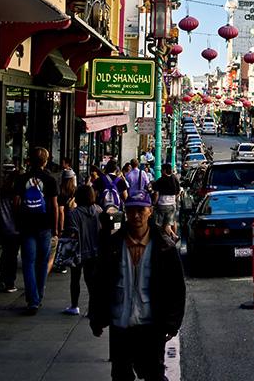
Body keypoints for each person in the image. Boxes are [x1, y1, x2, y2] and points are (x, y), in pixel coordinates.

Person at [89, 189, 186, 381]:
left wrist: (173, 322)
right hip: (120, 324)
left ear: (150, 211)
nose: (136, 215)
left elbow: (176, 289)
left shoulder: (164, 247)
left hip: (151, 326)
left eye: (141, 210)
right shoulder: (113, 245)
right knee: (121, 375)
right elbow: (100, 283)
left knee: (153, 373)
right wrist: (97, 317)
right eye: (132, 210)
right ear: (126, 212)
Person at [14, 147, 59, 314]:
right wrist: (55, 228)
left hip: (27, 225)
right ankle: (38, 296)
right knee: (42, 262)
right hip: (45, 225)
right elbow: (54, 206)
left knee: (28, 262)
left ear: (29, 160)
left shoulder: (21, 179)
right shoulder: (50, 180)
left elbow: (16, 202)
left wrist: (18, 222)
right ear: (45, 161)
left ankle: (32, 300)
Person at [64, 185, 101, 316]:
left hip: (78, 251)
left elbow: (71, 234)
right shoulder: (98, 211)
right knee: (91, 280)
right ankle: (93, 309)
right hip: (95, 251)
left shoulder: (74, 214)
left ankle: (74, 306)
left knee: (75, 279)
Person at [53, 168, 78, 273]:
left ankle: (60, 262)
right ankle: (64, 261)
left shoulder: (61, 192)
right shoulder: (75, 191)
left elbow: (61, 211)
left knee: (62, 242)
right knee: (70, 242)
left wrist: (60, 226)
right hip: (73, 220)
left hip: (66, 220)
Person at [152, 163, 181, 241]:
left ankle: (173, 238)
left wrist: (154, 203)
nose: (161, 171)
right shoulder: (174, 178)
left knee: (161, 226)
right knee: (170, 223)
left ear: (164, 170)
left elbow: (156, 194)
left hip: (162, 205)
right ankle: (173, 238)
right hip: (172, 205)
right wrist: (174, 199)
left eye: (162, 169)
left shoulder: (159, 181)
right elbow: (178, 192)